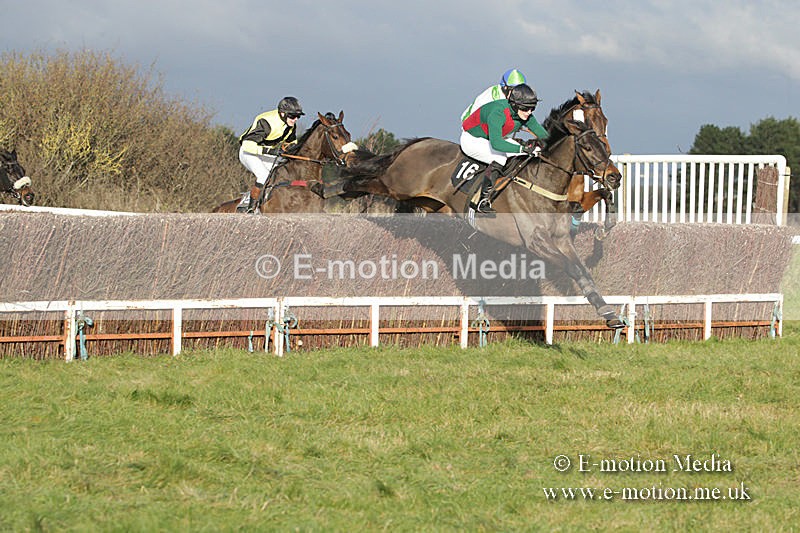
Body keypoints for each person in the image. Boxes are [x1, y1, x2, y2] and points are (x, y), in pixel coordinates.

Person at [460, 83, 549, 214]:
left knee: (520, 156)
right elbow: (497, 144)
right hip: (472, 139)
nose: (529, 112)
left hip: (490, 138)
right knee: (500, 158)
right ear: (515, 104)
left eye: (532, 108)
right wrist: (523, 149)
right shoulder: (498, 113)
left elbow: (544, 135)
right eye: (526, 108)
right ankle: (482, 201)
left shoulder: (524, 114)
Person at [238, 96, 304, 213]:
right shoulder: (266, 122)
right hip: (248, 153)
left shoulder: (290, 125)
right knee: (263, 175)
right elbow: (247, 145)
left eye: (298, 116)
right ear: (283, 113)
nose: (295, 120)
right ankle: (250, 208)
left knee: (282, 173)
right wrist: (271, 151)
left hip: (265, 154)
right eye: (293, 116)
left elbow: (291, 143)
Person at [460, 68, 527, 123]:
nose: (518, 93)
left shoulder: (507, 94)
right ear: (505, 87)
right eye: (514, 89)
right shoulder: (492, 97)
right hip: (471, 124)